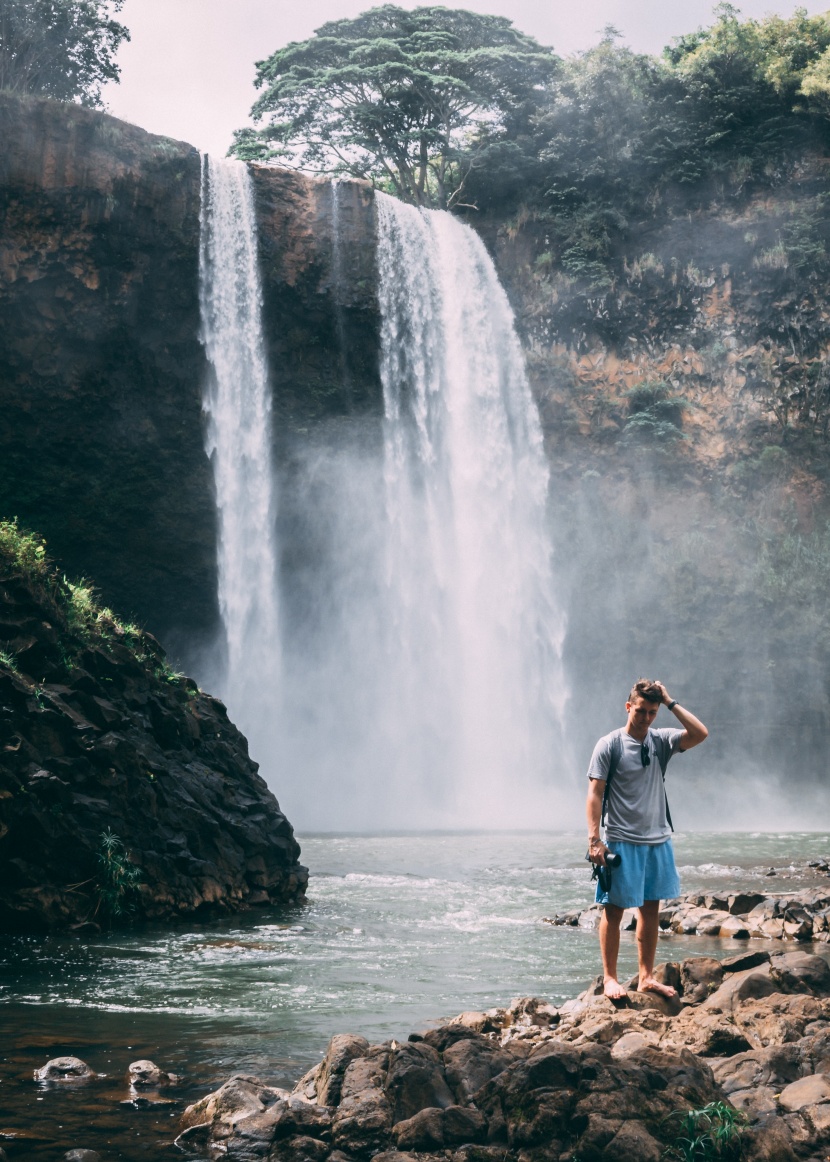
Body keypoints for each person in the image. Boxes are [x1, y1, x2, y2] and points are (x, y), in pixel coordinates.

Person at [586, 678, 708, 1000]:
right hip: (623, 840)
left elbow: (700, 734)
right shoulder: (609, 744)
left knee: (650, 910)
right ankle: (610, 978)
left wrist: (670, 702)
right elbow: (595, 794)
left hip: (658, 841)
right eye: (641, 711)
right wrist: (594, 840)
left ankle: (645, 977)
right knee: (613, 910)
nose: (646, 718)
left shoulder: (661, 741)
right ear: (629, 707)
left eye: (652, 712)